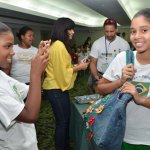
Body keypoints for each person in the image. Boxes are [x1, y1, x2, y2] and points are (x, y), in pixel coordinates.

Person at [97, 8, 150, 150]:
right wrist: (120, 81)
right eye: (133, 31)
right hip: (122, 135)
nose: (136, 36)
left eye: (144, 30)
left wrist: (141, 99)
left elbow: (141, 99)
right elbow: (100, 88)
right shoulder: (123, 58)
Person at [0, 22, 50, 149]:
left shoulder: (2, 76)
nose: (12, 53)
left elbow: (30, 90)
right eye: (7, 47)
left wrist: (40, 60)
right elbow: (30, 115)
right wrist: (35, 73)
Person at [42, 17, 89, 150]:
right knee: (62, 122)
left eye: (73, 29)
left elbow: (62, 68)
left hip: (56, 88)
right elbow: (62, 73)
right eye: (70, 29)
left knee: (64, 120)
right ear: (62, 30)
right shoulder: (59, 46)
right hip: (55, 89)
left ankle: (65, 146)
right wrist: (79, 67)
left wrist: (77, 66)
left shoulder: (56, 45)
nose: (73, 32)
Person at [88, 18, 130, 94]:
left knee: (115, 98)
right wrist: (95, 75)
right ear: (103, 30)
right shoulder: (97, 43)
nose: (109, 34)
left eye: (112, 31)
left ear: (116, 30)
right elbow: (93, 62)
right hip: (101, 76)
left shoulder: (124, 44)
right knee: (100, 99)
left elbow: (128, 63)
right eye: (106, 31)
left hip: (117, 77)